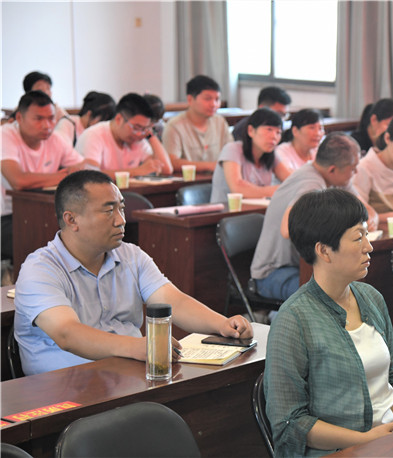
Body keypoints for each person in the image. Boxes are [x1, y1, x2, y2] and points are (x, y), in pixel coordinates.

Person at [13, 170, 253, 376]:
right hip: (65, 388)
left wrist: (223, 325)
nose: (121, 220)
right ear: (72, 219)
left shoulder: (130, 255)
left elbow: (173, 301)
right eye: (109, 211)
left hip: (127, 375)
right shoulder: (40, 269)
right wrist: (136, 347)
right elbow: (67, 334)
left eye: (121, 208)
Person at [264, 188, 393, 457]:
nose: (369, 246)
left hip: (388, 443)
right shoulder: (294, 319)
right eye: (358, 238)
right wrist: (364, 440)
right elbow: (289, 422)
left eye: (367, 235)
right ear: (324, 251)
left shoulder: (371, 297)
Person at [251, 132, 378, 301]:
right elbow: (286, 229)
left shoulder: (336, 179)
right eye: (353, 168)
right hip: (276, 272)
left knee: (355, 287)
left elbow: (365, 208)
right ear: (332, 169)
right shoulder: (310, 184)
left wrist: (371, 218)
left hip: (306, 267)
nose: (355, 172)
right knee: (335, 294)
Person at [1, 91, 89, 263]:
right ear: (19, 118)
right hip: (6, 217)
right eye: (38, 119)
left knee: (83, 233)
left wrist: (67, 174)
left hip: (41, 211)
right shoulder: (5, 136)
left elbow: (82, 169)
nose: (47, 125)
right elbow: (18, 181)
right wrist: (63, 175)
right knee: (48, 243)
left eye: (51, 118)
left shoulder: (55, 139)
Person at [76, 93, 173, 180]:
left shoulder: (137, 140)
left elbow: (166, 169)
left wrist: (151, 136)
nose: (139, 133)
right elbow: (91, 175)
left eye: (145, 129)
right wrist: (137, 171)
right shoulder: (94, 135)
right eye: (136, 127)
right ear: (119, 119)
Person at [210, 108, 291, 204]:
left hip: (258, 209)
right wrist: (278, 190)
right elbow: (238, 188)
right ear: (251, 130)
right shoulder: (233, 149)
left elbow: (291, 180)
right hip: (227, 211)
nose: (274, 136)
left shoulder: (272, 155)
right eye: (269, 130)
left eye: (278, 132)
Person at [162, 75, 232, 172]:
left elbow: (232, 153)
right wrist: (210, 166)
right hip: (188, 180)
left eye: (217, 99)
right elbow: (172, 162)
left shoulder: (220, 122)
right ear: (190, 99)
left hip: (217, 178)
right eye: (207, 99)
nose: (214, 104)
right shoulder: (174, 126)